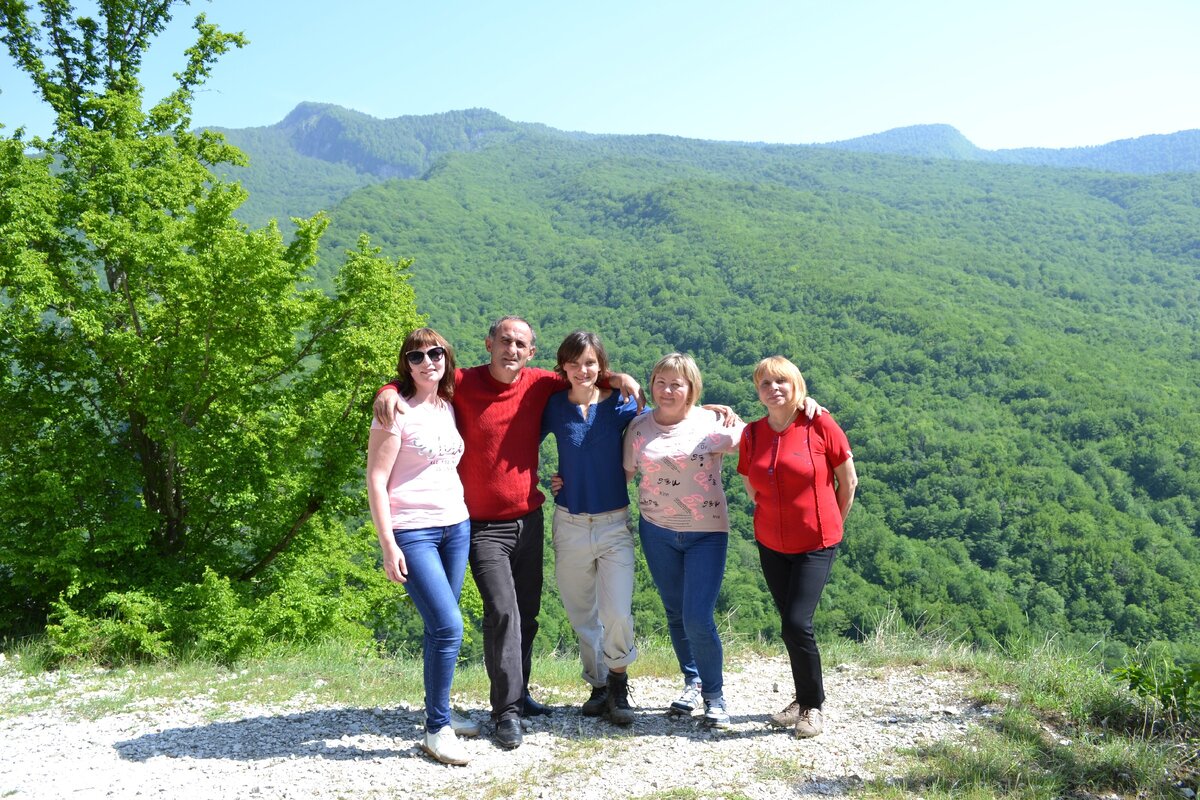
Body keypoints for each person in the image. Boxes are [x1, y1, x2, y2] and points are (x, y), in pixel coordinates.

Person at [374, 316, 640, 750]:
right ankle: (506, 712)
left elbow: (583, 374)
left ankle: (521, 694)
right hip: (480, 525)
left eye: (520, 344)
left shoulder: (539, 384)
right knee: (502, 614)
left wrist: (618, 377)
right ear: (489, 343)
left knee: (527, 614)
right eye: (505, 341)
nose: (511, 349)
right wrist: (387, 390)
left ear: (531, 353)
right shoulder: (461, 383)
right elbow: (421, 378)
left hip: (529, 517)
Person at [365, 328, 478, 765]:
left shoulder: (446, 404)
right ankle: (436, 730)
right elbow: (376, 480)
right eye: (416, 356)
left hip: (456, 526)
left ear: (446, 357)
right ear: (406, 365)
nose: (427, 362)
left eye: (435, 353)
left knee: (439, 628)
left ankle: (440, 711)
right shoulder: (394, 410)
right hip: (413, 531)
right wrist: (388, 544)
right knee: (449, 626)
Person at [622, 352, 746, 729]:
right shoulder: (639, 428)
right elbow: (623, 474)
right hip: (656, 530)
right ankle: (692, 681)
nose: (667, 390)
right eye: (660, 382)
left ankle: (715, 696)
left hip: (706, 533)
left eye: (676, 384)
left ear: (692, 388)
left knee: (697, 617)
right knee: (675, 612)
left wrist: (806, 410)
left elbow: (760, 439)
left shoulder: (712, 423)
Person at [737, 356, 857, 739]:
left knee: (795, 623)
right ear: (758, 392)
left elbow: (848, 481)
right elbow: (749, 481)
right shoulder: (752, 433)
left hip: (815, 542)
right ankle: (802, 697)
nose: (773, 388)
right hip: (771, 542)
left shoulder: (819, 423)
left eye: (781, 381)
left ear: (796, 385)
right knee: (791, 626)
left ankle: (812, 706)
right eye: (765, 383)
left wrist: (832, 523)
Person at [541, 332, 642, 725]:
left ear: (601, 365)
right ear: (563, 366)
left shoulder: (620, 402)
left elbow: (667, 416)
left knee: (616, 612)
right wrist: (543, 481)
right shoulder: (554, 406)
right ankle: (599, 685)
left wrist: (713, 413)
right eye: (574, 362)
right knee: (581, 612)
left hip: (614, 523)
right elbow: (518, 441)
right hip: (569, 522)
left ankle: (618, 682)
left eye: (590, 363)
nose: (582, 370)